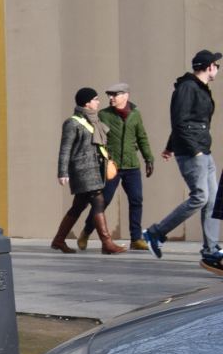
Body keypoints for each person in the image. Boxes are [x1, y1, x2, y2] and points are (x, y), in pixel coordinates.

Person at [143, 50, 222, 260]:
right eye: (217, 65)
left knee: (214, 200)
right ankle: (155, 233)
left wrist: (170, 146)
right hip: (193, 152)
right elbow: (179, 121)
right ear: (208, 67)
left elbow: (186, 122)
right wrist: (192, 149)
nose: (218, 69)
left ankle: (211, 249)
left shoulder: (200, 88)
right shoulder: (188, 87)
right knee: (200, 197)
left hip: (203, 149)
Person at [77, 83, 155, 250]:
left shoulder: (135, 114)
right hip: (111, 166)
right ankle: (86, 231)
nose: (111, 98)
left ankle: (135, 239)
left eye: (114, 95)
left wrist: (149, 158)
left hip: (132, 166)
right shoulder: (104, 115)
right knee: (102, 202)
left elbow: (142, 137)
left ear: (125, 96)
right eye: (109, 95)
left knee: (136, 200)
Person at [52, 87, 126, 254]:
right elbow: (65, 149)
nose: (98, 102)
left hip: (96, 169)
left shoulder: (95, 121)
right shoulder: (72, 123)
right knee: (98, 201)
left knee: (78, 206)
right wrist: (62, 172)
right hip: (82, 169)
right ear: (87, 103)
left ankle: (58, 240)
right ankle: (107, 243)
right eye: (95, 99)